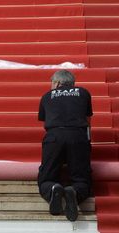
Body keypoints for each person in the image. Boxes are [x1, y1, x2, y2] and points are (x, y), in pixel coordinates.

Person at [38, 70, 93, 222]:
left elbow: (45, 121)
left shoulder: (46, 96)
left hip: (54, 136)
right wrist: (87, 142)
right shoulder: (83, 92)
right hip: (77, 135)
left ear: (56, 83)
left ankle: (52, 189)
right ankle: (75, 192)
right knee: (82, 178)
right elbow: (88, 120)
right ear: (72, 83)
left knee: (46, 177)